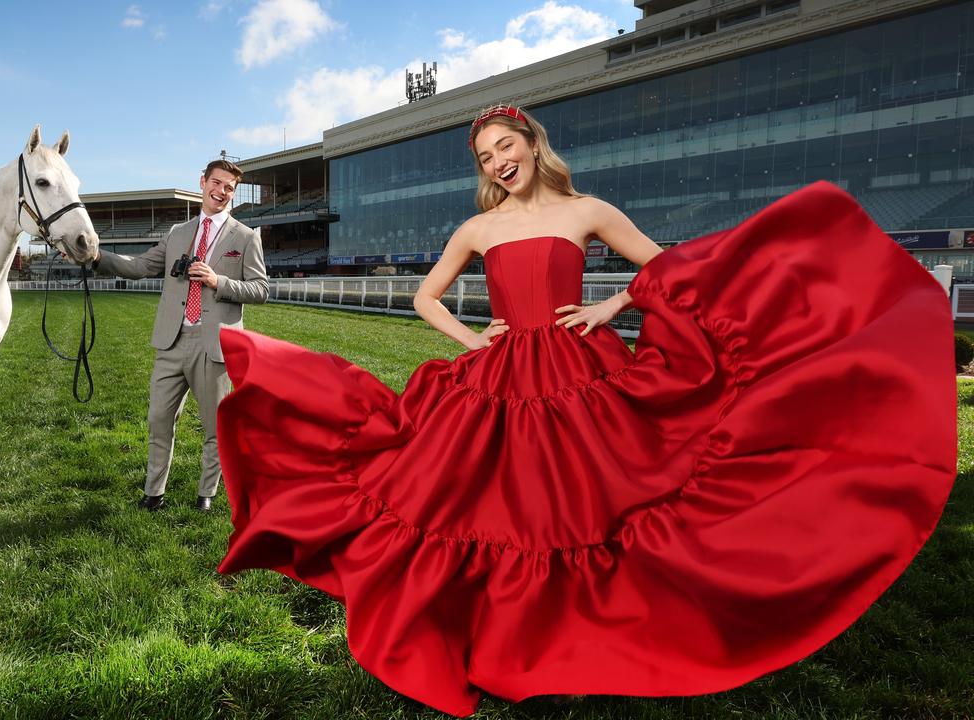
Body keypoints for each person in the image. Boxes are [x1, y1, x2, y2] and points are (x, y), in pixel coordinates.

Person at [211, 105, 955, 716]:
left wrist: (610, 304)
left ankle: (585, 626)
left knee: (595, 493)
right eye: (485, 157)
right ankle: (499, 627)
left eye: (507, 145)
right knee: (490, 497)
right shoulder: (479, 228)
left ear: (533, 144)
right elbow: (423, 297)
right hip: (500, 374)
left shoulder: (588, 209)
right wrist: (475, 339)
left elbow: (667, 269)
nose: (498, 161)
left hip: (581, 368)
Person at [93, 159, 268, 512]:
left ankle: (206, 494)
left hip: (215, 345)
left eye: (228, 188)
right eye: (216, 183)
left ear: (232, 194)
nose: (221, 191)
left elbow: (261, 288)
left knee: (215, 427)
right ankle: (153, 493)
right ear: (202, 182)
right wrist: (96, 256)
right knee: (158, 420)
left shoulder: (246, 237)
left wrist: (220, 282)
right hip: (171, 342)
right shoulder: (177, 233)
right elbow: (140, 267)